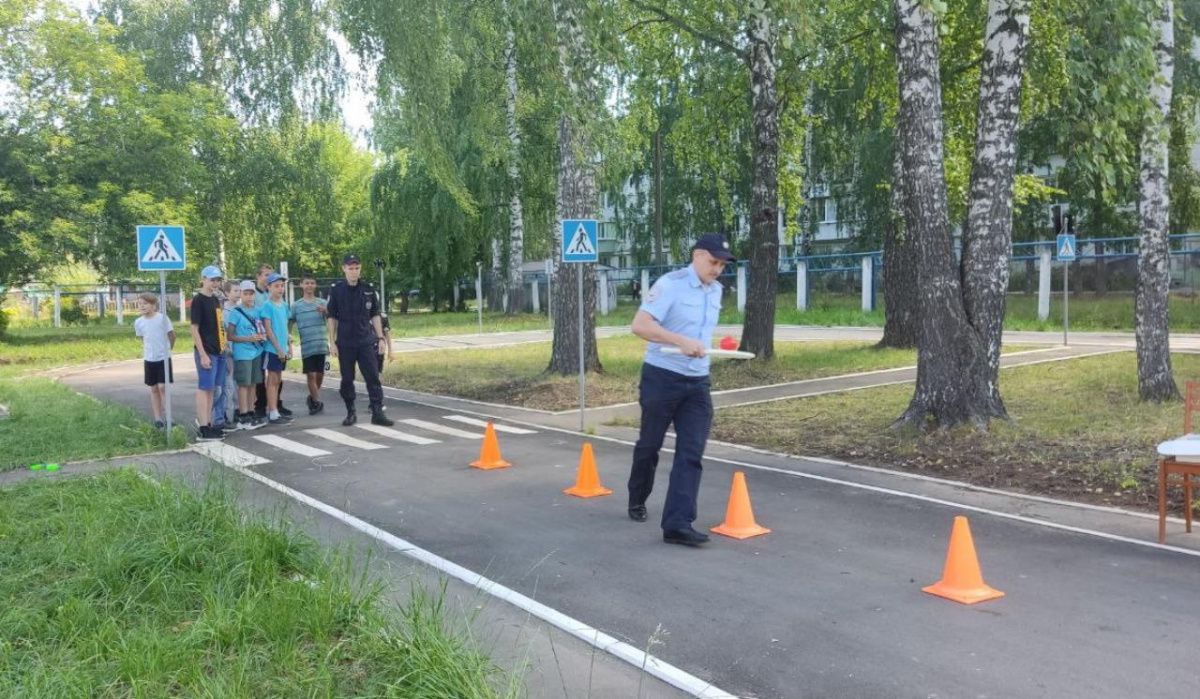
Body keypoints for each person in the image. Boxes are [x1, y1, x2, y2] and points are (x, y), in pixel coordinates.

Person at [626, 233, 734, 547]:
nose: (717, 269)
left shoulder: (716, 292)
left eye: (722, 265)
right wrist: (680, 341)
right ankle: (637, 497)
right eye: (713, 262)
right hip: (662, 377)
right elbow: (640, 326)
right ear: (697, 255)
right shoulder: (670, 284)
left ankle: (677, 523)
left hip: (698, 383)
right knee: (650, 445)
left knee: (691, 452)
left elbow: (700, 333)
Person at [326, 253, 393, 427]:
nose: (354, 271)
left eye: (357, 268)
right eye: (350, 268)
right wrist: (332, 342)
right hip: (346, 343)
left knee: (373, 377)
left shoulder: (368, 289)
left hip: (365, 342)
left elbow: (375, 315)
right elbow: (332, 317)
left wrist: (380, 338)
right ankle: (351, 412)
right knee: (347, 379)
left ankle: (377, 412)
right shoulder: (336, 290)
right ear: (344, 269)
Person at [190, 265, 227, 441]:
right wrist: (203, 354)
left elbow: (218, 325)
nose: (215, 283)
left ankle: (209, 423)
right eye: (212, 279)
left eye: (217, 280)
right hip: (206, 351)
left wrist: (223, 344)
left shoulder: (215, 299)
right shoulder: (199, 300)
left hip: (218, 350)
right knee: (204, 388)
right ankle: (203, 426)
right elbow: (194, 329)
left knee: (213, 389)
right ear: (203, 279)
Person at [225, 280, 267, 430]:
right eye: (246, 294)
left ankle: (251, 411)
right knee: (243, 384)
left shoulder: (258, 311)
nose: (249, 297)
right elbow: (230, 336)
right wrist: (248, 339)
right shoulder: (236, 312)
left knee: (253, 383)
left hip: (257, 351)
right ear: (241, 295)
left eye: (251, 294)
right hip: (242, 353)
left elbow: (263, 327)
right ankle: (243, 416)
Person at [252, 263, 291, 419]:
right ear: (269, 287)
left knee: (279, 379)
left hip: (282, 348)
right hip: (272, 349)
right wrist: (279, 349)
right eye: (276, 286)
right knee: (272, 379)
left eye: (282, 286)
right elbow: (268, 330)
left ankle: (275, 408)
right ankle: (272, 411)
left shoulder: (284, 305)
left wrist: (288, 346)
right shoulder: (267, 306)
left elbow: (286, 328)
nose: (280, 289)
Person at [133, 292, 175, 428]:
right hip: (149, 359)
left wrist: (169, 349)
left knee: (162, 386)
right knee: (154, 388)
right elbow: (142, 338)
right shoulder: (138, 322)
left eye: (145, 304)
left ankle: (169, 417)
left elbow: (172, 335)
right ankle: (158, 419)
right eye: (139, 304)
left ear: (153, 305)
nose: (142, 306)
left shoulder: (162, 318)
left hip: (163, 357)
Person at [290, 273, 329, 415]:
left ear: (315, 285)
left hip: (321, 344)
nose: (309, 286)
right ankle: (317, 402)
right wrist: (288, 336)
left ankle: (312, 397)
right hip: (307, 346)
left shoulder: (322, 303)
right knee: (310, 374)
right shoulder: (296, 306)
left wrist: (326, 311)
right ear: (301, 285)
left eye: (312, 283)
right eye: (306, 283)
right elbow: (290, 321)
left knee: (319, 374)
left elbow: (333, 317)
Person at [211, 279, 237, 431]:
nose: (219, 304)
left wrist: (227, 348)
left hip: (224, 355)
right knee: (217, 389)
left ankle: (222, 418)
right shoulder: (211, 317)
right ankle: (211, 418)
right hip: (214, 356)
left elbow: (225, 336)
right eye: (217, 301)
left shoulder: (223, 316)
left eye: (221, 301)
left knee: (226, 388)